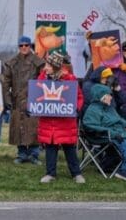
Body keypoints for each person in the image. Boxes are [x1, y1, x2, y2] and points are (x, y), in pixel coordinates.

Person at [37, 52, 85, 184]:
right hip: (49, 121)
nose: (45, 67)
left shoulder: (70, 79)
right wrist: (33, 107)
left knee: (69, 148)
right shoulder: (42, 78)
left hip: (65, 121)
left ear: (56, 66)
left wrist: (76, 108)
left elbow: (79, 97)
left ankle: (76, 174)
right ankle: (50, 173)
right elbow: (36, 94)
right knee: (50, 148)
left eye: (48, 64)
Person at [1, 35, 44, 164]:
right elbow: (6, 82)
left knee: (33, 128)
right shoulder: (12, 62)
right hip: (17, 100)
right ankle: (21, 154)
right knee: (18, 128)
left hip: (34, 99)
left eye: (26, 45)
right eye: (21, 45)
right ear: (18, 47)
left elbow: (44, 79)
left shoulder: (39, 61)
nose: (24, 47)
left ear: (30, 46)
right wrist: (7, 99)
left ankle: (34, 155)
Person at [82, 82, 126, 181]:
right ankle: (124, 171)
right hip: (102, 136)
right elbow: (90, 126)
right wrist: (111, 132)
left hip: (118, 133)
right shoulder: (93, 110)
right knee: (125, 143)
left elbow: (119, 120)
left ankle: (108, 165)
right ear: (102, 96)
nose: (111, 98)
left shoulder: (110, 108)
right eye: (109, 95)